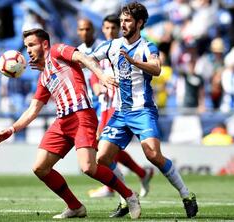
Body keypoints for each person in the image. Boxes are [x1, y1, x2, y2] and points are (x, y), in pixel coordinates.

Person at [0, 28, 141, 219]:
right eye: (26, 46)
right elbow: (32, 110)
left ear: (44, 44)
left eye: (31, 45)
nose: (27, 50)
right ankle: (75, 207)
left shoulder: (57, 50)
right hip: (62, 122)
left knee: (88, 167)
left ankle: (129, 195)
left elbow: (83, 58)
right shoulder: (44, 76)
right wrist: (12, 129)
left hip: (82, 116)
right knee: (40, 168)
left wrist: (102, 76)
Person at [91, 2, 198, 218]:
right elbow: (89, 58)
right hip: (120, 112)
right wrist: (99, 75)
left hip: (143, 111)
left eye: (128, 20)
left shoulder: (147, 46)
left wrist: (134, 62)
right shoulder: (111, 46)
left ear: (139, 23)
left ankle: (186, 195)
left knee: (153, 155)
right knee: (102, 158)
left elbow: (157, 68)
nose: (123, 24)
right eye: (121, 20)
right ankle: (126, 198)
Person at [86, 14, 154, 218]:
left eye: (112, 27)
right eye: (105, 28)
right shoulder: (104, 48)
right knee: (106, 149)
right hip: (104, 104)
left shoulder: (121, 46)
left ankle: (120, 190)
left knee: (103, 148)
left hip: (119, 106)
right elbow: (93, 73)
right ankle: (140, 175)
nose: (109, 31)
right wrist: (97, 85)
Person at [76, 18, 103, 117]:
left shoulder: (102, 46)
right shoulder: (78, 51)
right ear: (78, 31)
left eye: (87, 29)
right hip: (87, 100)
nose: (85, 32)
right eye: (82, 29)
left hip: (103, 97)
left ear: (93, 30)